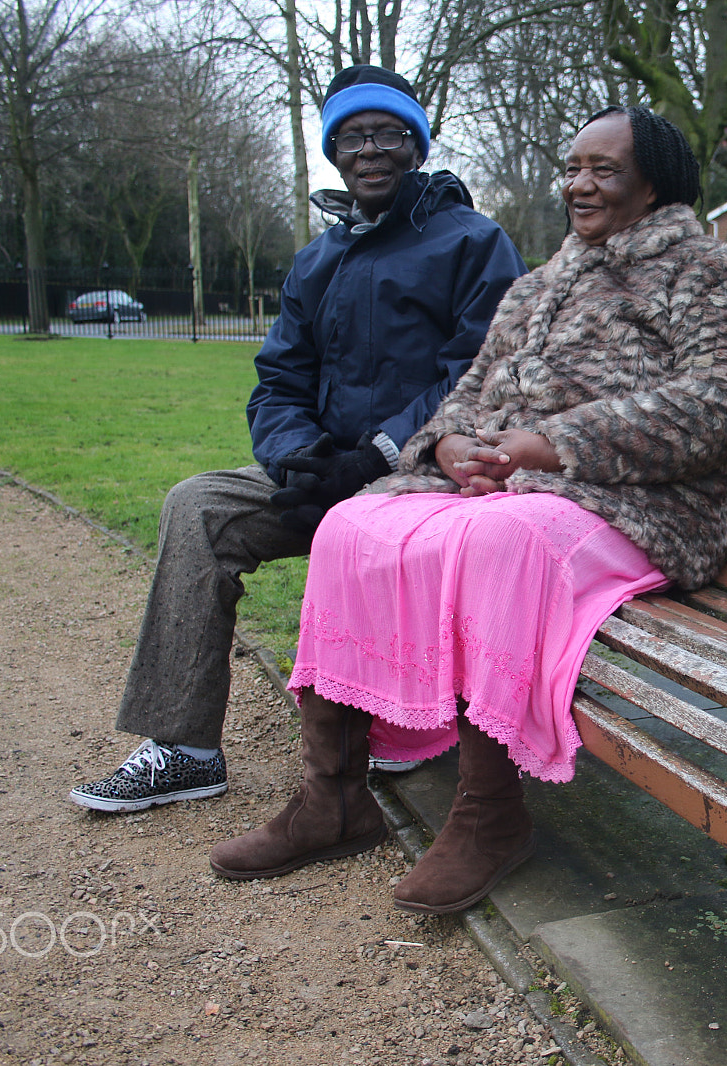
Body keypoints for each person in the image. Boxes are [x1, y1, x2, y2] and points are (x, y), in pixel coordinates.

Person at [207, 106, 727, 914]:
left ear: (655, 186)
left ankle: (491, 816)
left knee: (497, 541)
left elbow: (721, 402)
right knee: (350, 525)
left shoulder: (706, 270)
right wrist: (444, 448)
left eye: (604, 170)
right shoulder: (539, 285)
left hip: (650, 502)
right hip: (521, 487)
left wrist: (550, 442)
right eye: (573, 166)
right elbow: (467, 393)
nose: (580, 183)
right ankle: (332, 797)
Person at [70, 65, 526, 813]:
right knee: (199, 506)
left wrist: (373, 456)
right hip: (323, 471)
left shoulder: (474, 242)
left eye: (386, 133)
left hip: (422, 475)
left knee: (363, 522)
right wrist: (300, 458)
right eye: (351, 136)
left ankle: (397, 725)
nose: (368, 149)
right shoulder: (320, 259)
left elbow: (479, 374)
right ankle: (183, 749)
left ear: (415, 143)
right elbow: (279, 377)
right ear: (333, 151)